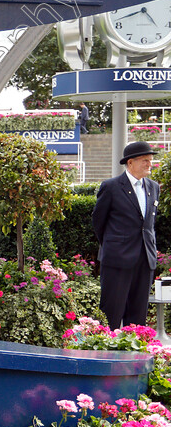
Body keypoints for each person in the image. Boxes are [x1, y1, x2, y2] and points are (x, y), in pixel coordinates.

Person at [91, 141, 159, 329]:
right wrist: (114, 246)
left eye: (150, 160)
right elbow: (98, 221)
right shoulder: (111, 187)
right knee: (111, 312)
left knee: (138, 315)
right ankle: (106, 354)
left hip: (145, 259)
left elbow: (149, 225)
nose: (149, 164)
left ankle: (133, 355)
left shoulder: (154, 187)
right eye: (145, 160)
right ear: (130, 163)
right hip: (117, 260)